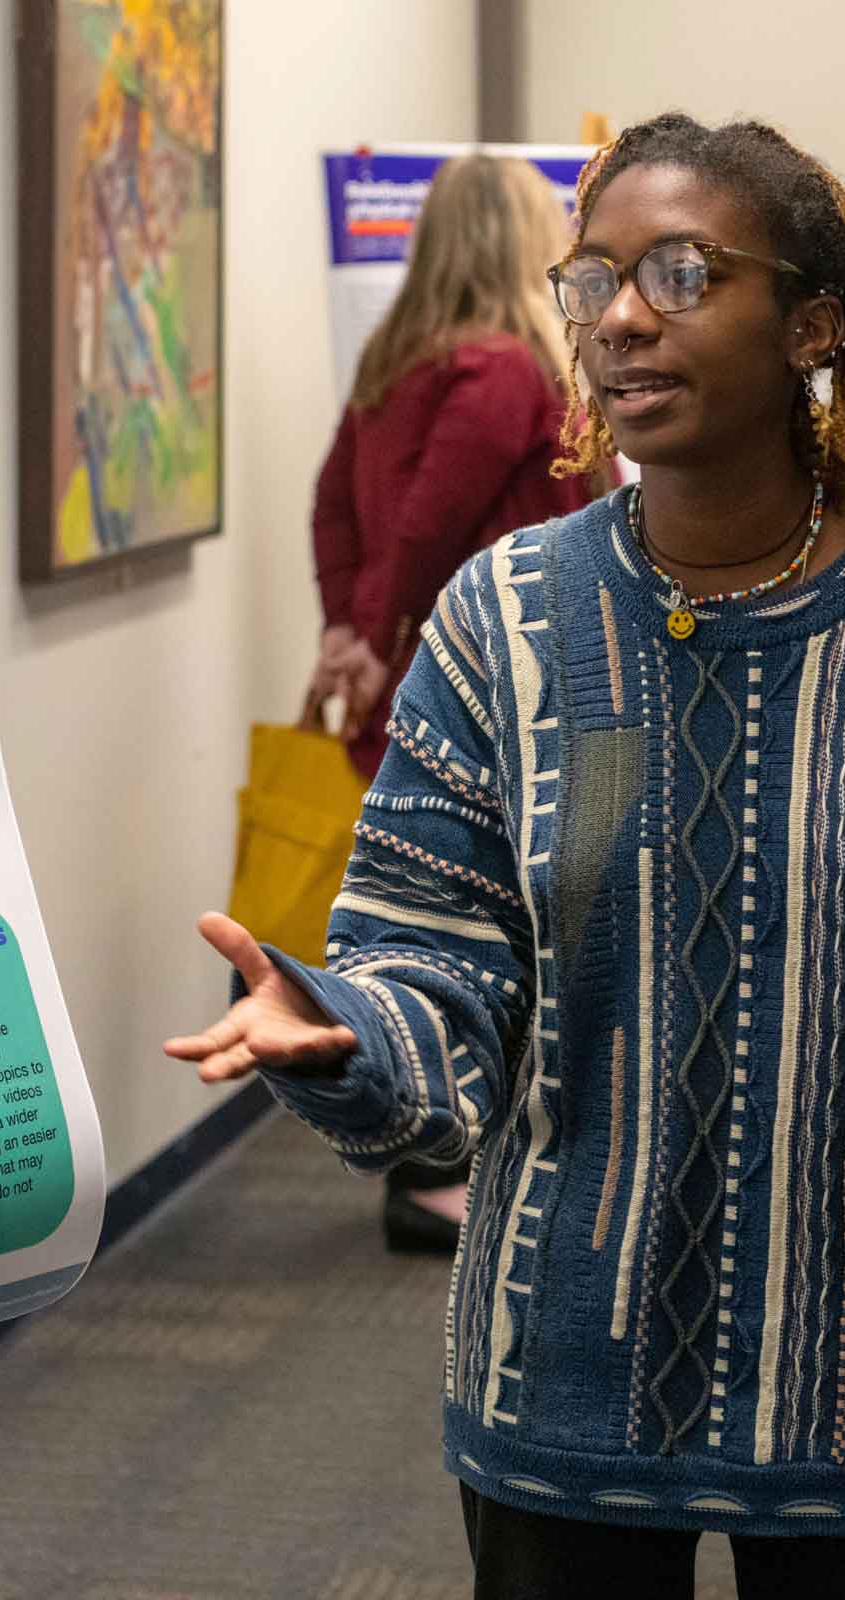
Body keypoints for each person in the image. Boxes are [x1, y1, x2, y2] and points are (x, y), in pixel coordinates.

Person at [168, 113, 845, 1600]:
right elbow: (437, 951)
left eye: (685, 273)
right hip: (564, 1373)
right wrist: (345, 1023)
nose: (621, 316)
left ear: (813, 323)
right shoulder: (509, 619)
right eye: (595, 279)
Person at [307, 153, 600, 1254]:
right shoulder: (508, 369)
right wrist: (381, 638)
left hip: (419, 673)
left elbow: (333, 507)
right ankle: (436, 1177)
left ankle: (431, 1156)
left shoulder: (391, 366)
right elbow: (436, 519)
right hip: (494, 685)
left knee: (430, 905)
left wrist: (349, 625)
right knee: (497, 917)